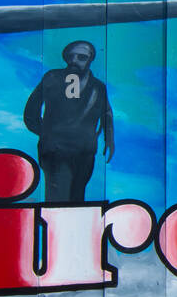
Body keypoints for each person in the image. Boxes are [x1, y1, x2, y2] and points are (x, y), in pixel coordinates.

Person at [23, 40, 114, 202]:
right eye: (71, 56)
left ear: (90, 59)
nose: (74, 61)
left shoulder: (98, 87)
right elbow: (31, 110)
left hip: (84, 151)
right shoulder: (52, 77)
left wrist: (109, 139)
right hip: (56, 150)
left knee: (77, 195)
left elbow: (106, 113)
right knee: (59, 197)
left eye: (81, 57)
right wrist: (47, 134)